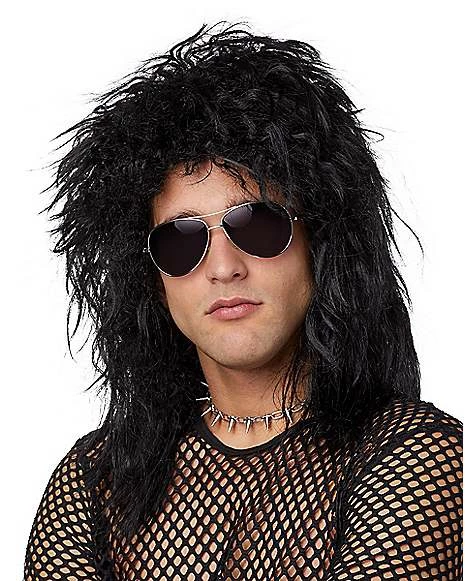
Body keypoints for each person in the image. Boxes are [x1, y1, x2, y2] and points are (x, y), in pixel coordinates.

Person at [24, 21, 462, 580]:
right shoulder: (93, 482)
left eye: (256, 225)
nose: (223, 267)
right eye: (180, 241)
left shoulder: (416, 454)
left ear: (319, 241)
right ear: (152, 278)